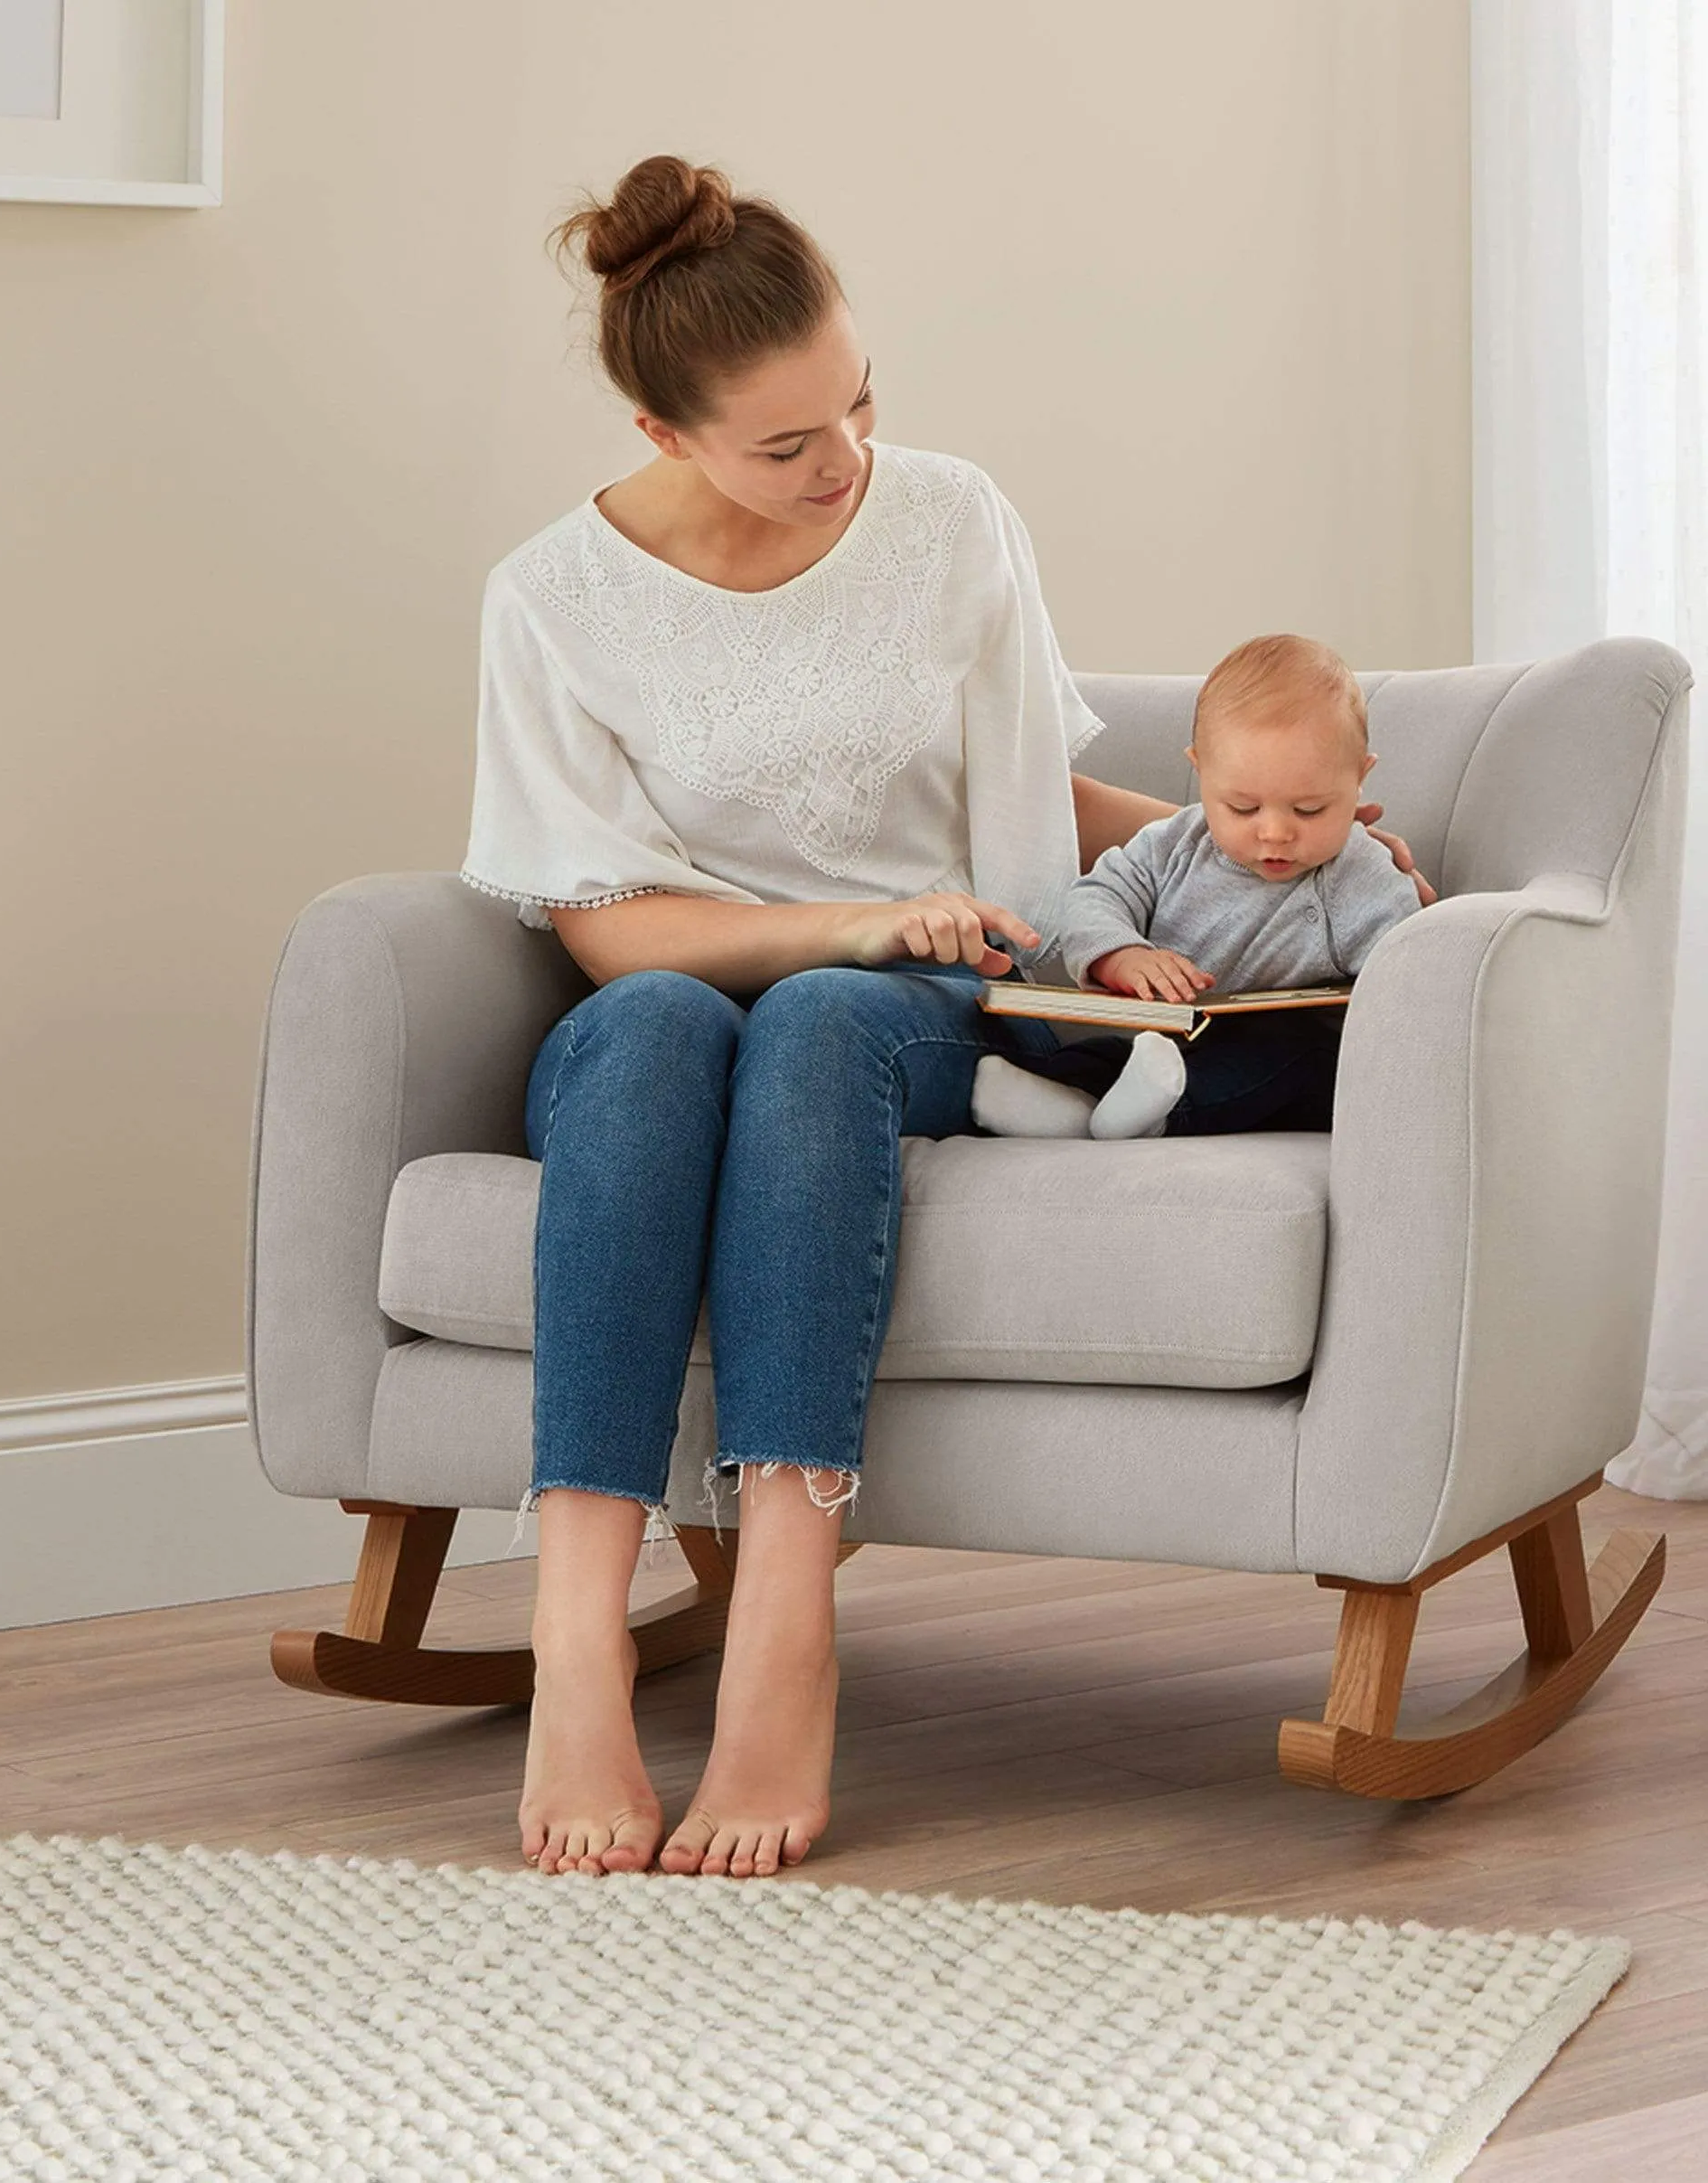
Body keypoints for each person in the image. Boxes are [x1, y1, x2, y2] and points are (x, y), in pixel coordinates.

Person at [460, 155, 1428, 1881]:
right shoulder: (552, 597)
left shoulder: (953, 516)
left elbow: (1029, 797)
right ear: (663, 434)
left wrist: (1276, 847)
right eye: (785, 445)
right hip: (698, 981)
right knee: (659, 1031)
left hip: (928, 994)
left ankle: (783, 1618)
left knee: (829, 1017)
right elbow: (608, 928)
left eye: (860, 404)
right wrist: (844, 914)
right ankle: (576, 1640)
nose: (844, 464)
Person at [971, 634, 1422, 1142]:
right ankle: (1072, 1105)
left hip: (1301, 1066)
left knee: (1284, 1049)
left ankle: (1160, 1116)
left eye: (1309, 810)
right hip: (1172, 1043)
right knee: (1109, 1054)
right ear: (1200, 771)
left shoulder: (1358, 874)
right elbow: (1097, 895)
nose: (1275, 832)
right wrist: (1120, 954)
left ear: (1360, 778)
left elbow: (1407, 976)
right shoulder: (1173, 845)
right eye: (1243, 809)